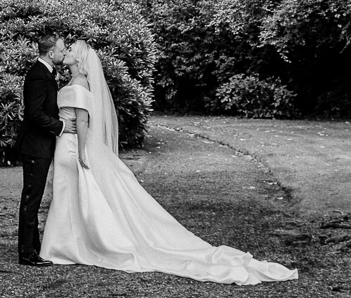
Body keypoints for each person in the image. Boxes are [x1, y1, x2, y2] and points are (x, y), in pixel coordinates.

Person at [40, 40, 297, 286]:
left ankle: (76, 244)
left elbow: (83, 121)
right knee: (71, 194)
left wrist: (83, 151)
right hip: (67, 144)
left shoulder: (80, 83)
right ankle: (71, 243)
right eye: (67, 48)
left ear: (81, 58)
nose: (68, 51)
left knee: (79, 194)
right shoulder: (73, 81)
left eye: (72, 49)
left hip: (74, 145)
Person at [14, 31, 68, 267]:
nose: (63, 53)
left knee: (33, 197)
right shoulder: (38, 76)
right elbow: (34, 115)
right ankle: (27, 253)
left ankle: (34, 247)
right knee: (31, 198)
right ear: (50, 52)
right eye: (61, 49)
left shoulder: (46, 73)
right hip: (35, 146)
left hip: (41, 145)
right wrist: (61, 126)